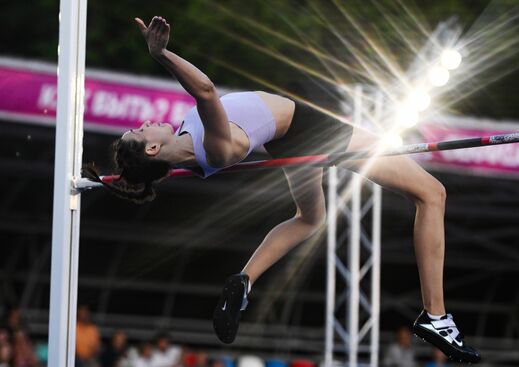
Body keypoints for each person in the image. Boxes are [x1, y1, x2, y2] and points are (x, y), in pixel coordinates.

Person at [82, 15, 480, 363]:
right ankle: (436, 316)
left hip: (293, 141)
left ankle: (244, 281)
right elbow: (205, 89)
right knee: (431, 193)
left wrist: (122, 175)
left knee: (310, 218)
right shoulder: (214, 150)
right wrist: (161, 55)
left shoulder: (188, 140)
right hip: (311, 130)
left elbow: (205, 103)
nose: (146, 123)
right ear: (153, 148)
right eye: (140, 130)